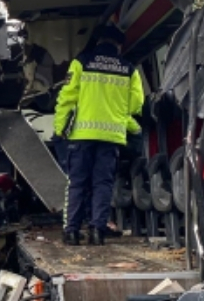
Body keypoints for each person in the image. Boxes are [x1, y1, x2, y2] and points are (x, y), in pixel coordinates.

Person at [54, 24, 144, 246]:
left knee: (76, 183)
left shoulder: (81, 62)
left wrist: (59, 128)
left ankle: (72, 232)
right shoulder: (129, 69)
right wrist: (122, 119)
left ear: (98, 41)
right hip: (111, 137)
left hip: (81, 136)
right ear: (119, 45)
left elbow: (67, 98)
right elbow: (136, 104)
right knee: (102, 184)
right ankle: (97, 231)